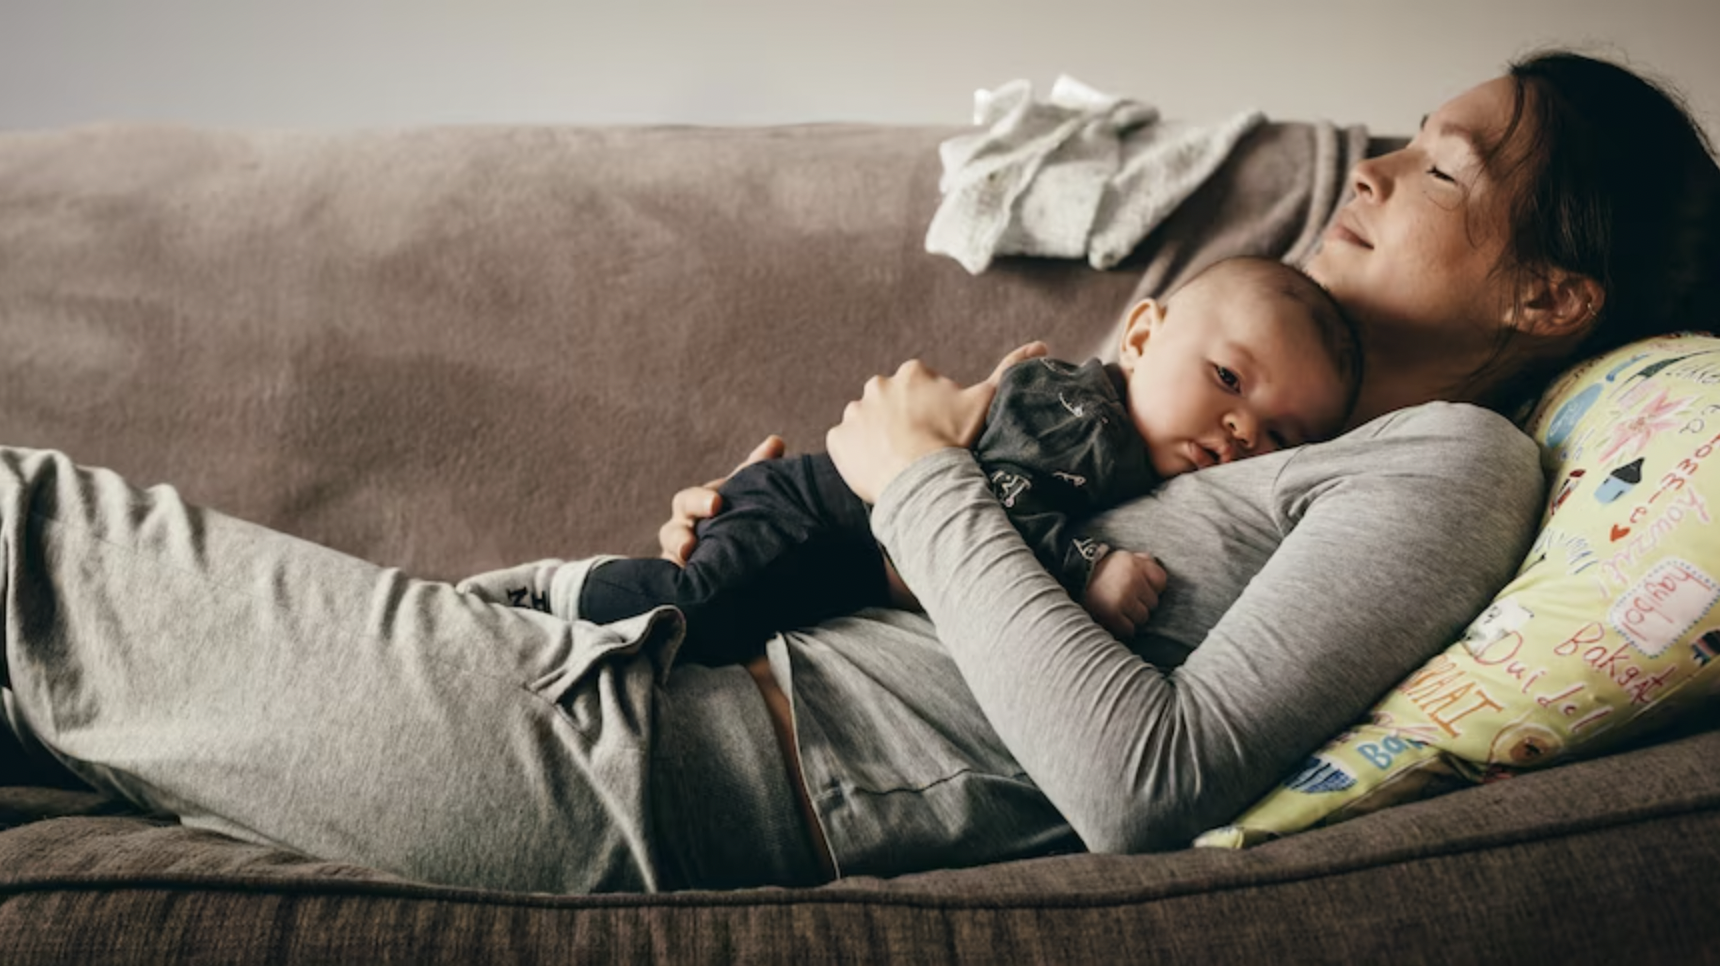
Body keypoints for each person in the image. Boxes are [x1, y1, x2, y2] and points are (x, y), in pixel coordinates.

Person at [2, 51, 1717, 895]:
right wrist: (790, 531)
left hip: (645, 763)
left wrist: (910, 483)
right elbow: (970, 595)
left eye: (1445, 167)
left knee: (24, 528)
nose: (1378, 165)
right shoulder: (1255, 413)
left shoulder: (1452, 468)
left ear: (1546, 297)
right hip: (618, 666)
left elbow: (1144, 781)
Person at [458, 257, 1361, 650]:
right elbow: (1002, 497)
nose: (1245, 434)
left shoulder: (1132, 453)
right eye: (1229, 380)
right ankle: (548, 593)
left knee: (720, 637)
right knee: (704, 607)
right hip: (819, 514)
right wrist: (1090, 567)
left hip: (847, 560)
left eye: (1283, 435)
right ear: (1140, 335)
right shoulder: (1085, 418)